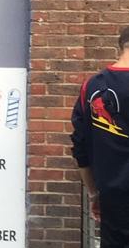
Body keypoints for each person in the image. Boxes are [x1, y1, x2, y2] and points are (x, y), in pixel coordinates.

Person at [71, 26, 129, 247]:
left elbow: (80, 146)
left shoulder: (92, 86)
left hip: (111, 198)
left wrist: (94, 193)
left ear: (120, 47)